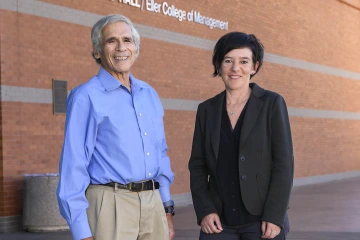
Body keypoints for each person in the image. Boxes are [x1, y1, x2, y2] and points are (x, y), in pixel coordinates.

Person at [57, 14, 175, 240]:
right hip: (111, 205)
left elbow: (160, 153)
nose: (121, 47)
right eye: (111, 40)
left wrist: (166, 207)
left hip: (153, 205)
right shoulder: (86, 97)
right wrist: (81, 231)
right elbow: (74, 164)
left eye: (127, 40)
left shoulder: (148, 94)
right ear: (97, 51)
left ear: (136, 49)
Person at [188, 32, 294, 240]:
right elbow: (198, 165)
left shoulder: (272, 104)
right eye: (228, 61)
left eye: (244, 61)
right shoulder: (206, 110)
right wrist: (205, 211)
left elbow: (284, 164)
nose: (236, 68)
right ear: (218, 65)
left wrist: (275, 216)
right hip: (218, 222)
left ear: (254, 66)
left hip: (261, 221)